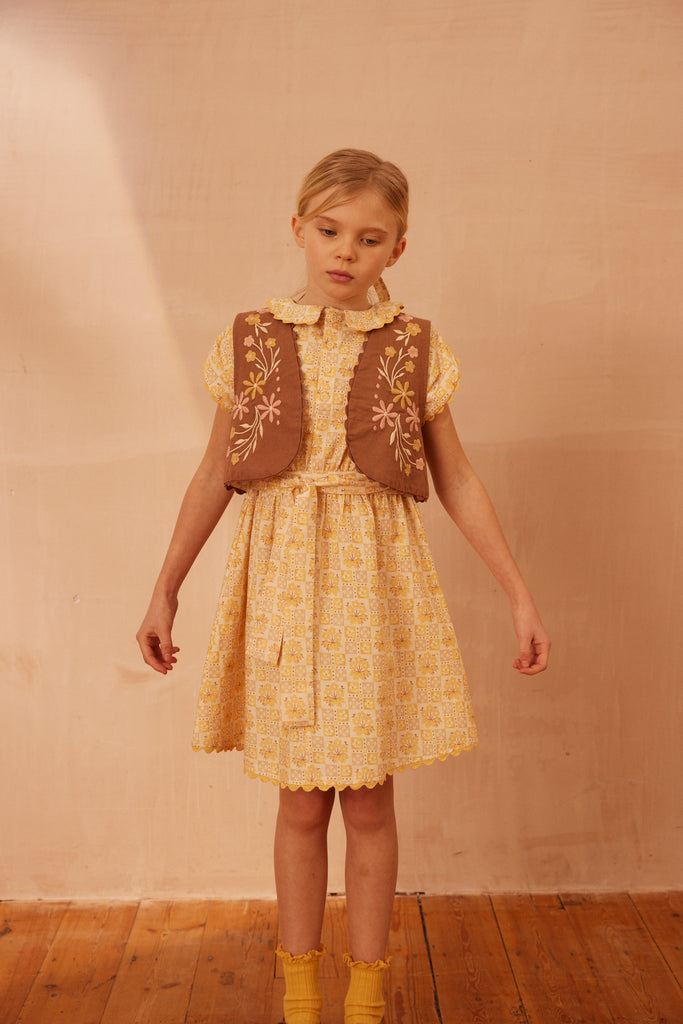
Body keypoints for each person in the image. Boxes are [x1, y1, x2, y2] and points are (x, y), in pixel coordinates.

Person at [137, 148, 550, 1024]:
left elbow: (456, 478)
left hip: (373, 583)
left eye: (369, 238)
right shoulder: (252, 340)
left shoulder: (412, 347)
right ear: (298, 228)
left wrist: (518, 592)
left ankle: (364, 996)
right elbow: (214, 472)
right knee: (298, 800)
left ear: (397, 248)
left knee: (366, 798)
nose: (345, 251)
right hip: (284, 580)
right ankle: (299, 993)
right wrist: (165, 587)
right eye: (329, 231)